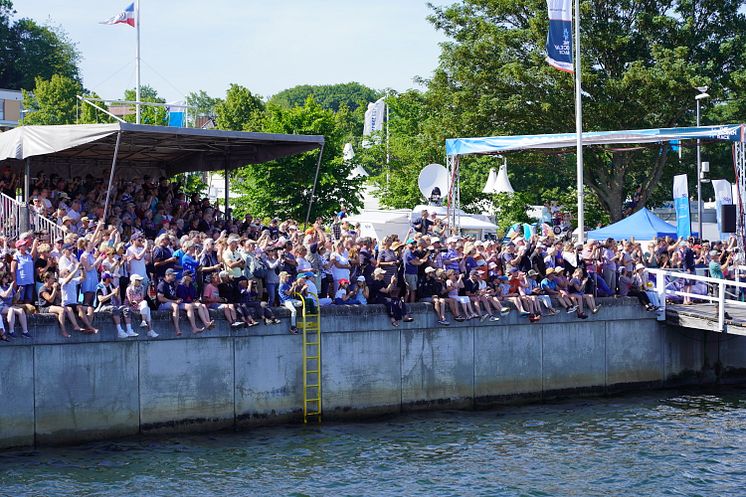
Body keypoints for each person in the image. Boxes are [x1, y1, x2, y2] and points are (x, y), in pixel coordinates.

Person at [158, 268, 203, 336]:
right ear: (167, 275)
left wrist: (178, 299)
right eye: (173, 275)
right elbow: (160, 298)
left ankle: (194, 328)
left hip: (173, 302)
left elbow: (173, 295)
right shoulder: (162, 284)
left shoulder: (172, 283)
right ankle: (177, 329)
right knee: (175, 306)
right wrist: (174, 301)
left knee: (189, 306)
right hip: (163, 304)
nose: (174, 276)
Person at [96, 272, 136, 339]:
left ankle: (129, 330)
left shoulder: (111, 285)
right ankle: (119, 331)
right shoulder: (100, 286)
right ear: (107, 279)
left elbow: (116, 297)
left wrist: (117, 293)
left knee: (126, 309)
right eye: (111, 278)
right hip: (102, 306)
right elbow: (101, 299)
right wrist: (112, 293)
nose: (112, 279)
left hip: (112, 305)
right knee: (114, 309)